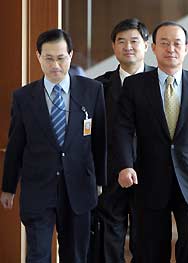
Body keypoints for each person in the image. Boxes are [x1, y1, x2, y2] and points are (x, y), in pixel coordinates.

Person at [115, 21, 188, 263]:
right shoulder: (135, 85)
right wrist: (125, 164)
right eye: (164, 43)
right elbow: (122, 129)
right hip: (149, 179)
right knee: (151, 248)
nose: (170, 48)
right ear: (153, 48)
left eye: (177, 43)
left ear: (186, 49)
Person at [0, 29, 107, 262]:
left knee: (75, 254)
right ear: (38, 56)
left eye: (61, 58)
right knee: (38, 253)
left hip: (79, 187)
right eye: (48, 58)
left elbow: (99, 140)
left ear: (70, 55)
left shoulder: (92, 91)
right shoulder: (23, 97)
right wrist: (8, 187)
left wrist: (100, 181)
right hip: (38, 189)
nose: (55, 65)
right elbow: (16, 145)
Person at [95, 18, 154, 263]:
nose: (128, 46)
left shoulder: (161, 81)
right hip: (110, 176)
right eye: (121, 41)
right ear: (113, 47)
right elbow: (95, 133)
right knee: (109, 237)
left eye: (134, 41)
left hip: (149, 173)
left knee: (146, 238)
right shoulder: (99, 86)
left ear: (146, 46)